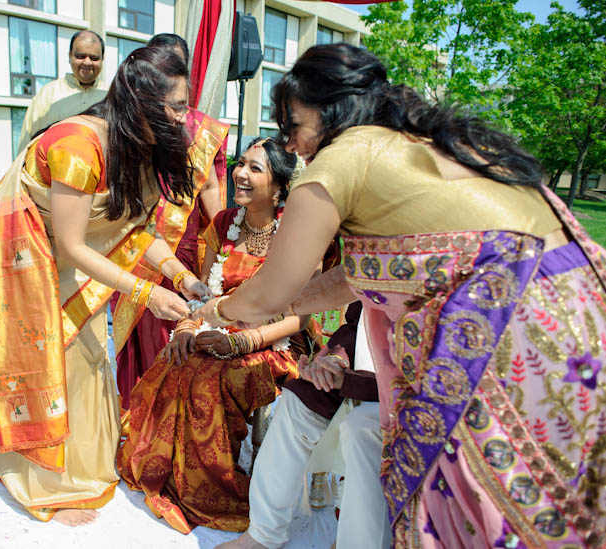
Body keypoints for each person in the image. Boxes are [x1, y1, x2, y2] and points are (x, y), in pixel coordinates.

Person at [198, 43, 606, 547]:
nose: (293, 145)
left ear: (334, 110)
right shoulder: (422, 143)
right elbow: (351, 277)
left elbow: (267, 293)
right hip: (578, 304)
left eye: (294, 126)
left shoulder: (341, 162)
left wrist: (214, 309)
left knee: (500, 497)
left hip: (504, 326)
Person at [0, 47, 211, 527]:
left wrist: (180, 275)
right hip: (28, 260)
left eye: (183, 105)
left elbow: (130, 232)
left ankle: (83, 467)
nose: (181, 118)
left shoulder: (132, 145)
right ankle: (42, 482)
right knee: (46, 364)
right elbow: (73, 242)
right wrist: (146, 293)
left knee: (88, 359)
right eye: (173, 106)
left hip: (66, 261)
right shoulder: (79, 147)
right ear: (140, 102)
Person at [117, 137, 318, 534]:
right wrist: (190, 327)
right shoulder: (225, 223)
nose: (240, 173)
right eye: (240, 163)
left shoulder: (298, 234)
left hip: (275, 342)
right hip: (217, 326)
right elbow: (206, 293)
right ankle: (170, 476)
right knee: (174, 361)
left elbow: (303, 320)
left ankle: (211, 490)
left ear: (279, 186)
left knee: (211, 379)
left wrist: (242, 342)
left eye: (255, 168)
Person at [111, 33, 228, 409]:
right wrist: (148, 290)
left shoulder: (195, 132)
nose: (181, 116)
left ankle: (168, 416)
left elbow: (209, 187)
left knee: (176, 329)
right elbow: (89, 238)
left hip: (177, 243)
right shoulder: (120, 140)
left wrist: (188, 272)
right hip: (117, 246)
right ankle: (139, 411)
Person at [217, 303, 389, 549]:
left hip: (405, 398)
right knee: (297, 401)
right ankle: (263, 535)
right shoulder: (379, 270)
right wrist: (335, 357)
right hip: (357, 376)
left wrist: (350, 381)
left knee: (360, 429)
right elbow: (356, 322)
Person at [15, 30, 108, 155]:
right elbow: (27, 143)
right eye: (80, 56)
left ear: (103, 59)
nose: (87, 62)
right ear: (70, 56)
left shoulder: (111, 96)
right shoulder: (49, 94)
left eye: (94, 58)